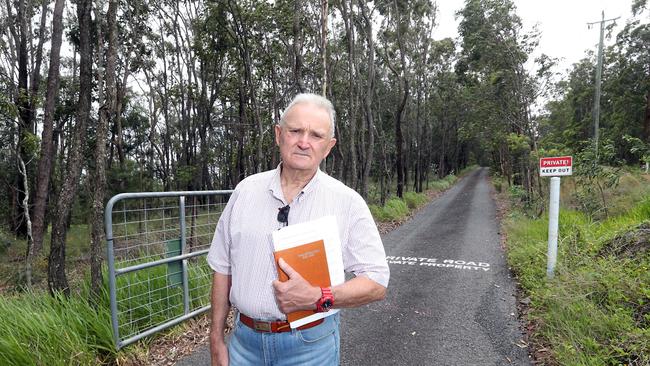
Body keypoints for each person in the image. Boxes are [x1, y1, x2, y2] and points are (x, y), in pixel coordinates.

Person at [207, 93, 389, 366]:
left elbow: (376, 282)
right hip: (243, 345)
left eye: (316, 135)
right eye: (295, 131)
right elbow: (223, 267)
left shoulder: (347, 202)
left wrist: (320, 296)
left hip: (310, 347)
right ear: (279, 134)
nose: (304, 142)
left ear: (328, 147)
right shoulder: (245, 191)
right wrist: (216, 338)